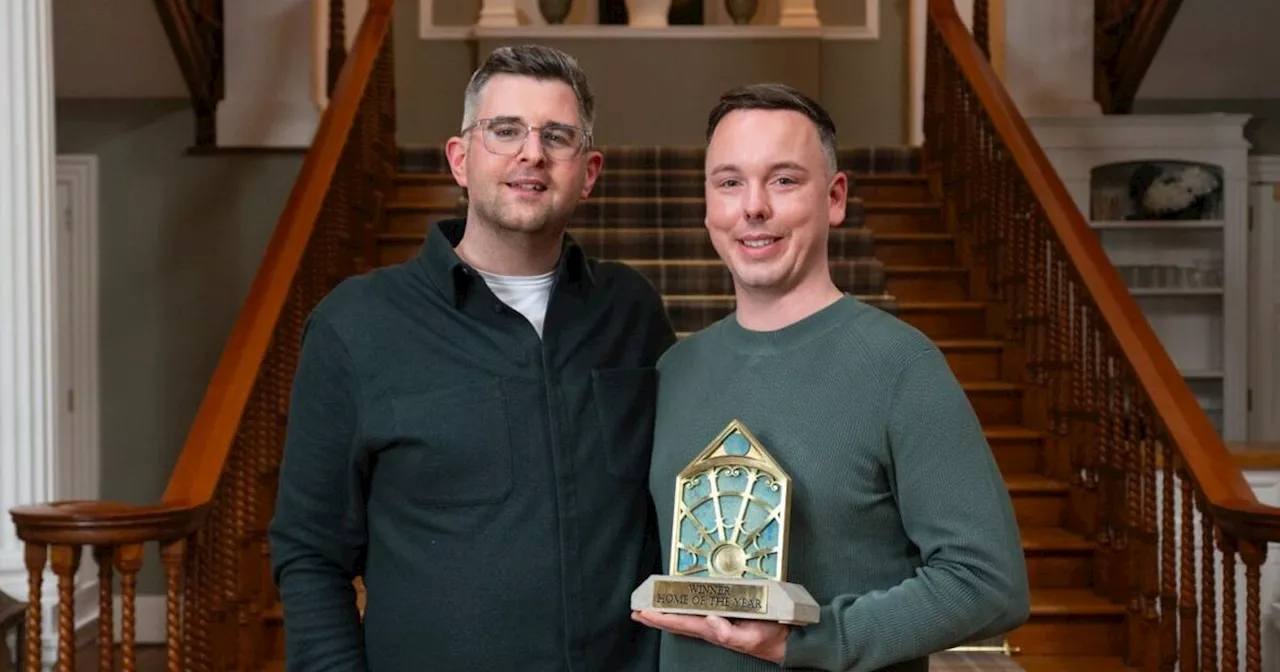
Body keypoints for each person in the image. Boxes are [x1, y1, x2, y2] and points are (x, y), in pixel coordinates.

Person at [269, 44, 676, 671]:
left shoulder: (632, 314)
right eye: (504, 130)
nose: (531, 153)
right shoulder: (357, 326)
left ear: (588, 172)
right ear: (460, 159)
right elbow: (311, 552)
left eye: (557, 136)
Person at [632, 83, 1030, 671]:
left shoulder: (901, 366)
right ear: (709, 204)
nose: (754, 207)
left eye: (785, 180)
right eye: (730, 181)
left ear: (835, 197)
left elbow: (988, 582)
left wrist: (809, 640)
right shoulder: (675, 370)